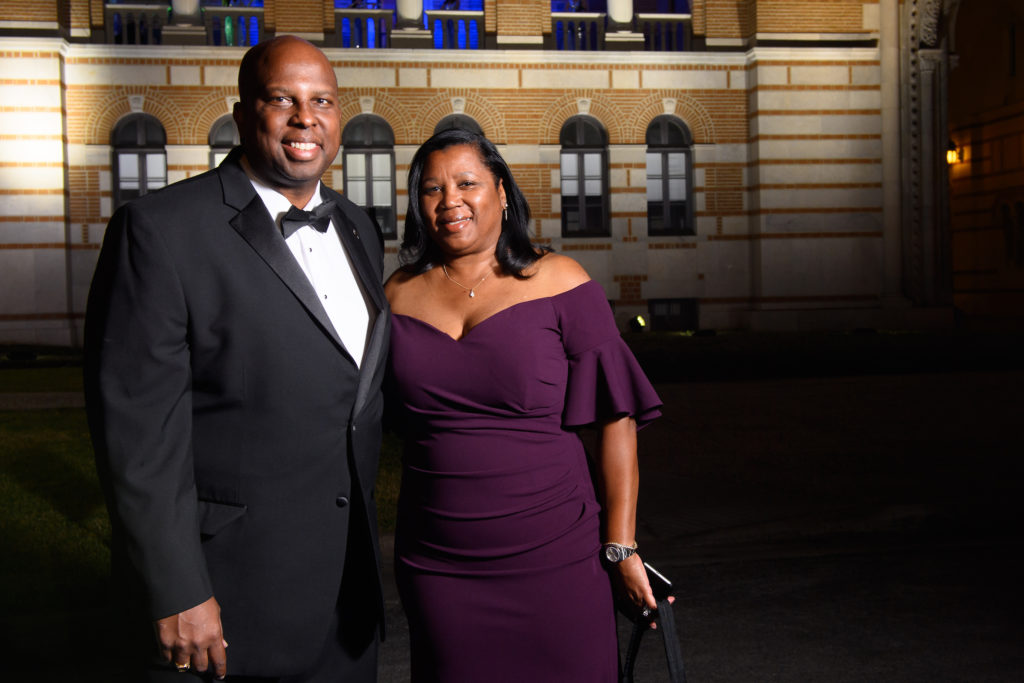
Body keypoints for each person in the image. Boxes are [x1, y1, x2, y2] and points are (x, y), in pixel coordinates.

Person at [84, 36, 389, 682]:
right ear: (245, 111)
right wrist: (176, 589)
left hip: (345, 606)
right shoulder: (162, 229)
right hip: (226, 605)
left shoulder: (361, 228)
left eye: (322, 101)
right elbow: (138, 437)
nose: (306, 118)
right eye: (284, 99)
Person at [384, 128, 663, 682]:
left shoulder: (559, 280)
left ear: (503, 192)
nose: (450, 202)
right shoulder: (394, 293)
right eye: (432, 189)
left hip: (557, 556)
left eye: (467, 183)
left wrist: (621, 545)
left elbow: (617, 418)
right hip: (439, 563)